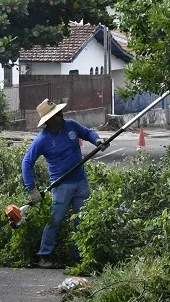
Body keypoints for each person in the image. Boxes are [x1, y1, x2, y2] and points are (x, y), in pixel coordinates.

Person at [21, 99, 107, 268]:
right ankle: (44, 256)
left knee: (82, 220)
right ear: (49, 120)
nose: (62, 115)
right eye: (58, 114)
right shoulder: (42, 140)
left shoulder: (71, 126)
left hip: (81, 181)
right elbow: (27, 162)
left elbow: (88, 132)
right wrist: (32, 189)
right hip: (60, 186)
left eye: (60, 112)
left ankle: (80, 256)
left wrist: (97, 140)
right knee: (55, 220)